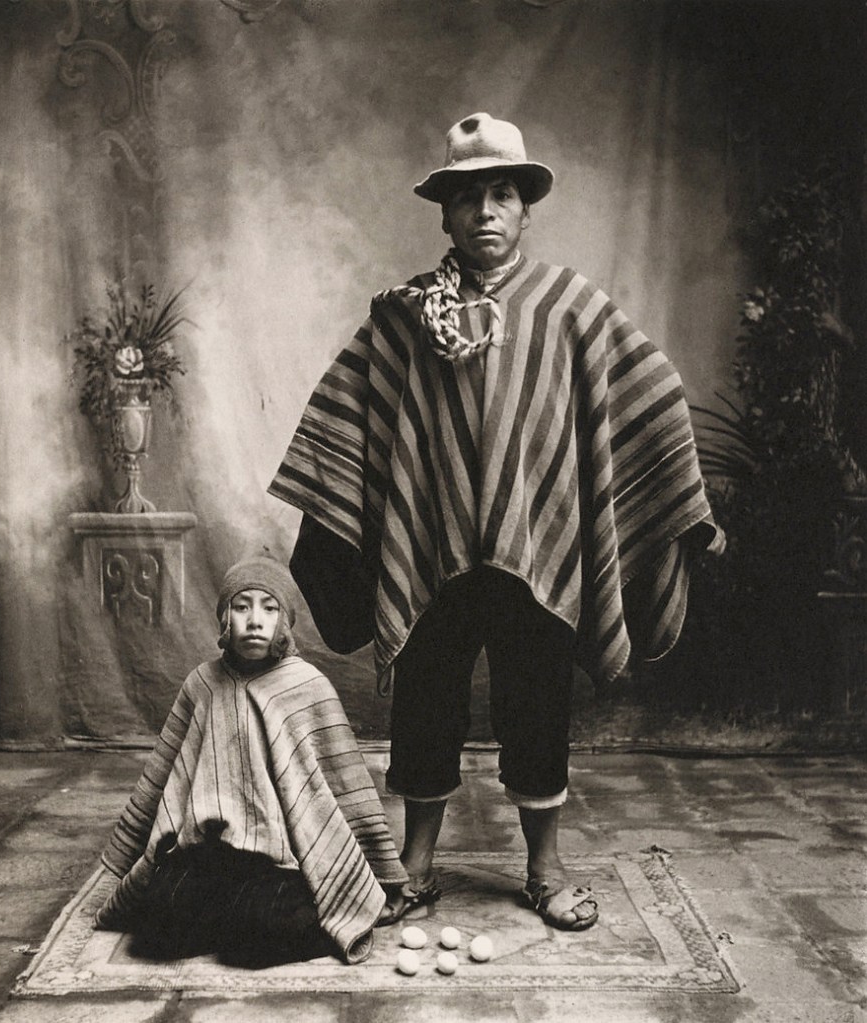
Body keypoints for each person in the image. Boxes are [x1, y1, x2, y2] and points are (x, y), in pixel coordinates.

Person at [268, 113, 719, 932]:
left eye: (502, 194)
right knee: (426, 701)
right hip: (432, 545)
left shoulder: (570, 307)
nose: (485, 211)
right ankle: (415, 864)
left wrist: (680, 501)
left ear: (525, 209)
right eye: (468, 196)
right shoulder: (406, 319)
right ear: (443, 212)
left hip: (536, 552)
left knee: (538, 703)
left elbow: (648, 391)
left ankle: (545, 869)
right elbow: (346, 416)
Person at [93, 556, 408, 965]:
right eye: (242, 607)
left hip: (276, 862)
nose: (255, 620)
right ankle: (226, 920)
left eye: (269, 607)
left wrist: (382, 872)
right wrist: (130, 856)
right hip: (206, 855)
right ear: (225, 617)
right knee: (152, 932)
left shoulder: (307, 686)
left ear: (284, 622)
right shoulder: (202, 684)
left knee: (263, 934)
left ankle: (237, 923)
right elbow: (162, 777)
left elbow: (347, 787)